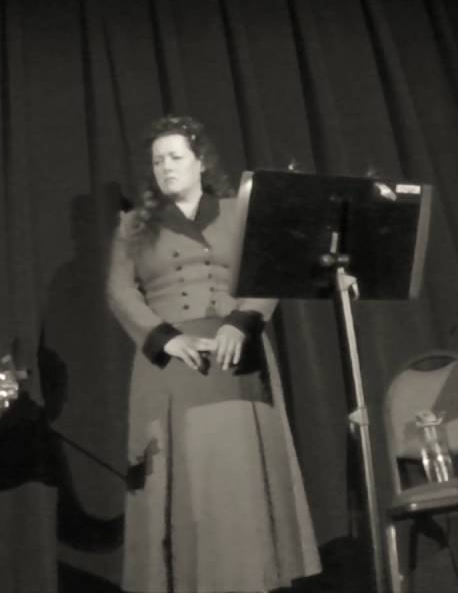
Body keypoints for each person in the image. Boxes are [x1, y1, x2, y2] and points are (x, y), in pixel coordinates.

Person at [106, 116, 320, 593]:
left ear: (200, 161)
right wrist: (165, 338)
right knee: (186, 488)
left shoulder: (237, 212)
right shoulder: (134, 225)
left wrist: (242, 321)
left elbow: (270, 269)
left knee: (240, 480)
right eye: (157, 161)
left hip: (234, 358)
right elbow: (120, 292)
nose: (165, 167)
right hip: (172, 364)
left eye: (175, 157)